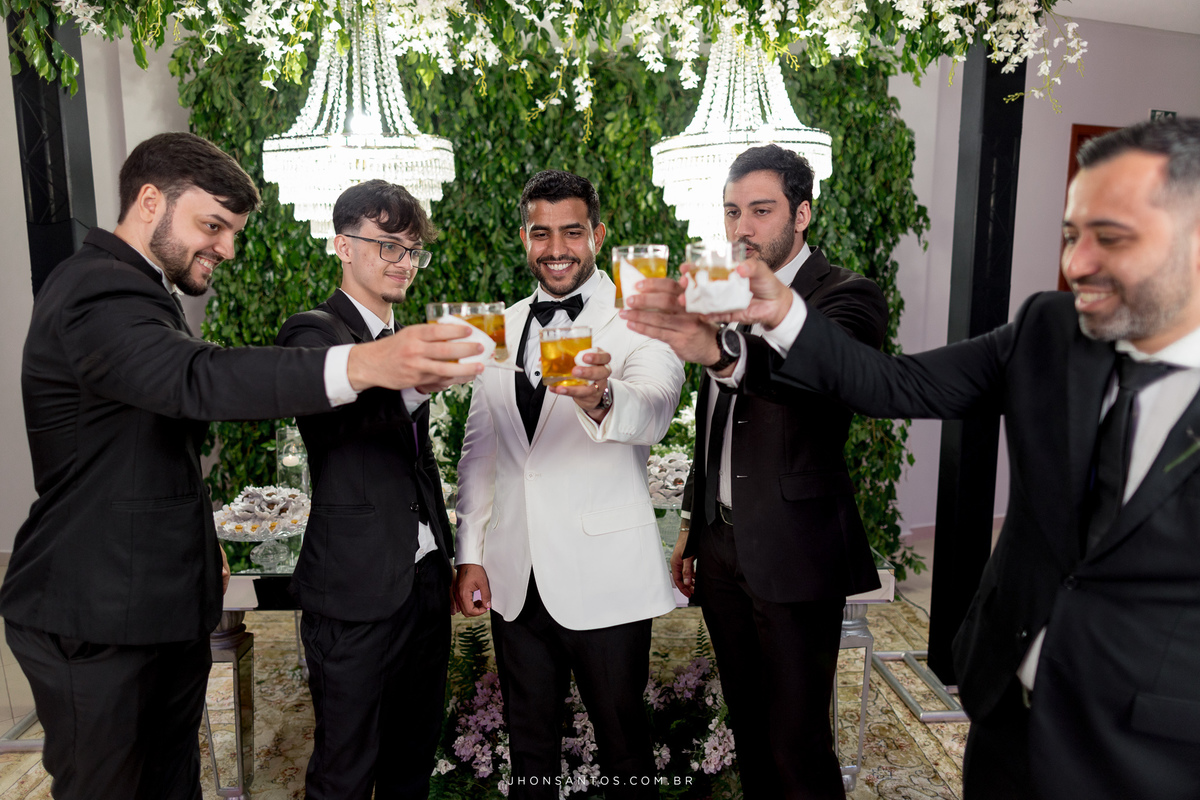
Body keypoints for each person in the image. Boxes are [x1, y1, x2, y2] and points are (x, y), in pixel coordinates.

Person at [677, 117, 1200, 799]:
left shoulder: (848, 290)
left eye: (1112, 237)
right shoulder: (1048, 327)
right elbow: (895, 384)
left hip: (1151, 744)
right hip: (1006, 715)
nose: (1076, 265)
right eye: (1072, 235)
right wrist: (773, 321)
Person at [0, 132, 483, 800]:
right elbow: (196, 377)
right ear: (149, 201)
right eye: (212, 226)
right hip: (95, 610)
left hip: (155, 602)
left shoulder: (143, 295)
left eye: (231, 232)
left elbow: (143, 455)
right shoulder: (94, 289)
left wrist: (201, 550)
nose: (226, 248)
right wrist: (367, 362)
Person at [621, 144, 886, 799]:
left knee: (798, 741)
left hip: (797, 548)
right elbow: (715, 426)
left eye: (761, 211)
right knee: (749, 727)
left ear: (802, 214)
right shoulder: (722, 295)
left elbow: (818, 379)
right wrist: (693, 524)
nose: (742, 227)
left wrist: (721, 351)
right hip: (721, 546)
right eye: (732, 212)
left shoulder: (848, 295)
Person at [453, 169, 684, 798]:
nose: (557, 248)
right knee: (528, 751)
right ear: (524, 238)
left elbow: (656, 407)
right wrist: (470, 553)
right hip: (515, 578)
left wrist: (602, 398)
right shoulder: (499, 326)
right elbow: (481, 449)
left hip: (606, 576)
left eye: (573, 232)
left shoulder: (640, 320)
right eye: (541, 233)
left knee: (624, 748)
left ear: (598, 236)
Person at [276, 180, 457, 799]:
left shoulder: (404, 338)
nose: (404, 261)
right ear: (343, 246)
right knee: (345, 773)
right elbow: (341, 426)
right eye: (388, 246)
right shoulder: (310, 334)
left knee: (412, 764)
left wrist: (449, 557)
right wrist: (418, 384)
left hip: (424, 585)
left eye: (412, 249)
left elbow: (417, 464)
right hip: (352, 592)